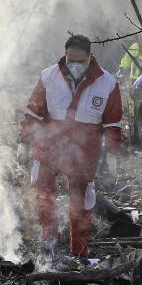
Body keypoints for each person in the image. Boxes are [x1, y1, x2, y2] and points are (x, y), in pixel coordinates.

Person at [19, 34, 124, 257]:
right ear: (65, 57)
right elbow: (34, 111)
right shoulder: (49, 77)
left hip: (84, 152)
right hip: (50, 146)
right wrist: (24, 141)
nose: (74, 66)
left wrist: (113, 153)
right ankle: (50, 239)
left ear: (90, 58)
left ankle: (79, 250)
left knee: (82, 201)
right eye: (70, 60)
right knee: (43, 191)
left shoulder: (107, 83)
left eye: (80, 61)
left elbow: (113, 122)